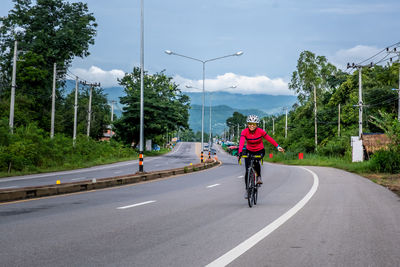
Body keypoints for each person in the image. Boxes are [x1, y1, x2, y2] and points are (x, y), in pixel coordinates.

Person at [238, 115, 284, 198]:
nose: (252, 126)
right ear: (247, 124)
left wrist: (277, 146)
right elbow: (241, 142)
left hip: (260, 150)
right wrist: (240, 152)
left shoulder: (260, 131)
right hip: (249, 151)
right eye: (250, 124)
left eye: (254, 124)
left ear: (257, 125)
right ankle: (247, 190)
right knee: (247, 171)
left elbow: (269, 138)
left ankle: (258, 177)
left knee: (256, 161)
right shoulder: (244, 132)